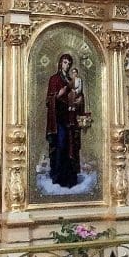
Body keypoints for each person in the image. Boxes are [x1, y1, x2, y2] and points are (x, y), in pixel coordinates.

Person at [46, 53, 84, 188]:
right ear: (60, 63)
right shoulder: (54, 79)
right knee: (61, 145)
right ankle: (59, 176)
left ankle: (70, 177)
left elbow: (75, 96)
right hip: (59, 118)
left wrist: (79, 101)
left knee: (70, 147)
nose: (66, 65)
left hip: (69, 117)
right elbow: (52, 98)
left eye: (69, 63)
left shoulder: (70, 79)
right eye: (64, 62)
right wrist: (66, 89)